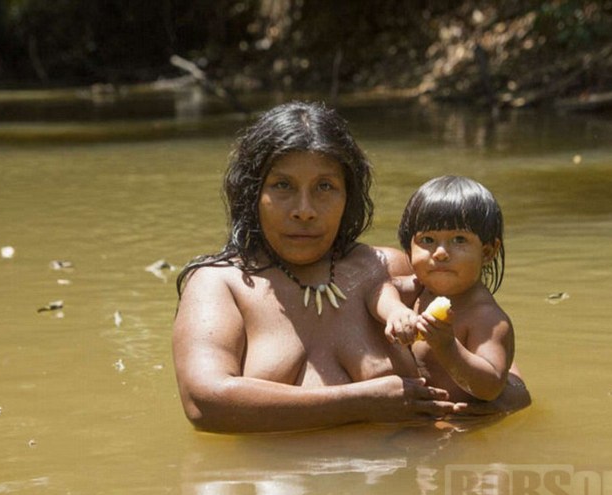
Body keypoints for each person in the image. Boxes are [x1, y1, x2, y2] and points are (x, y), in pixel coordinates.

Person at [172, 101, 529, 433]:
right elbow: (204, 402)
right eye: (282, 185)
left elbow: (505, 380)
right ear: (253, 194)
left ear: (349, 196)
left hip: (400, 475)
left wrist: (491, 404)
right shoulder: (220, 284)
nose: (304, 210)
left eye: (325, 187)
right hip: (276, 482)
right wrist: (361, 403)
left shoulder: (387, 268)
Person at [368, 175, 526, 406]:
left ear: (487, 252)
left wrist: (448, 347)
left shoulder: (486, 318)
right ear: (409, 252)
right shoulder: (419, 288)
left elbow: (491, 387)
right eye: (428, 240)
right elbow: (378, 290)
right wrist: (394, 310)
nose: (441, 253)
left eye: (459, 239)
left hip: (457, 420)